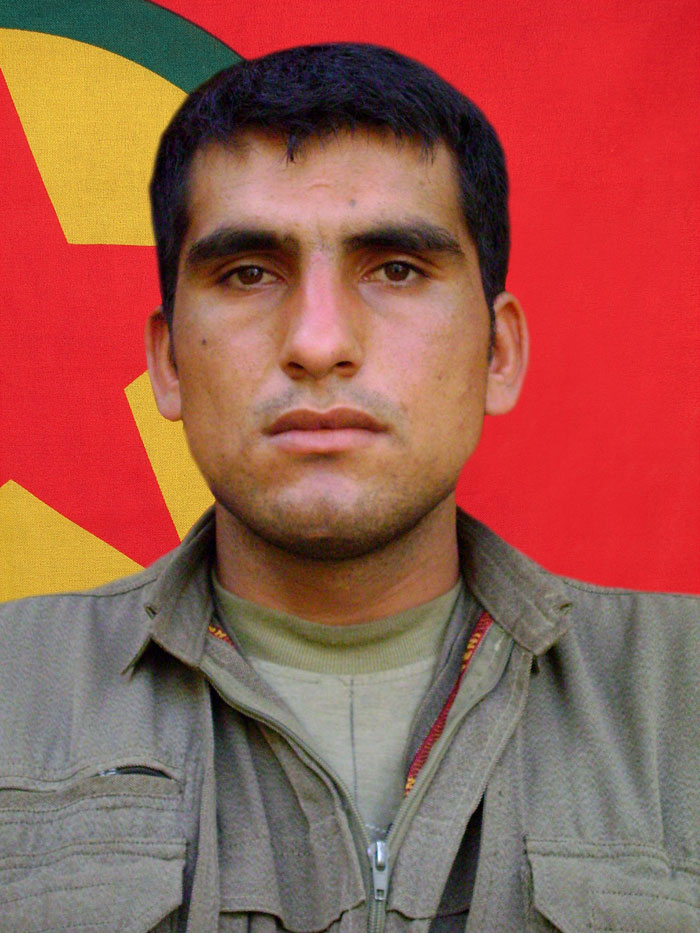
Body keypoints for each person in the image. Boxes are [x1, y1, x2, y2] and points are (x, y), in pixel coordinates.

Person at [0, 42, 698, 933]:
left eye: (396, 268)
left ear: (498, 352)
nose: (319, 341)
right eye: (249, 272)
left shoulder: (682, 692)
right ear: (167, 361)